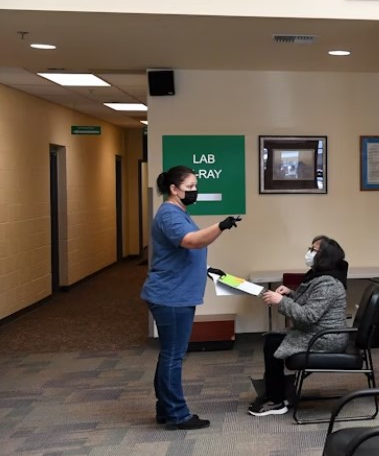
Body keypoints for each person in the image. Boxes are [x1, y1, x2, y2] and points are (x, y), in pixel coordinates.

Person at [141, 166, 242, 430]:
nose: (195, 191)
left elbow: (187, 253)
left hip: (176, 293)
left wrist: (207, 269)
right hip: (171, 296)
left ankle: (165, 409)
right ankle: (177, 415)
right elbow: (192, 242)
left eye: (196, 186)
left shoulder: (178, 212)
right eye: (190, 187)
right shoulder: (169, 214)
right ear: (174, 189)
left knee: (170, 355)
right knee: (174, 356)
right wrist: (221, 226)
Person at [249, 235, 349, 416]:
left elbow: (308, 316)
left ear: (325, 256)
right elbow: (310, 306)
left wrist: (280, 301)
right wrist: (290, 294)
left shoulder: (327, 283)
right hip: (319, 332)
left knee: (273, 343)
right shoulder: (320, 277)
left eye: (313, 250)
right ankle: (274, 392)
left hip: (327, 338)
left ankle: (277, 400)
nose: (308, 253)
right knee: (272, 339)